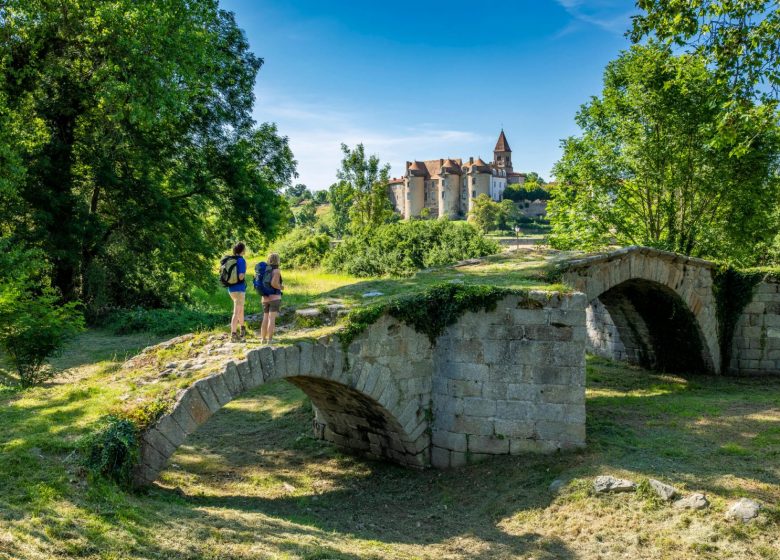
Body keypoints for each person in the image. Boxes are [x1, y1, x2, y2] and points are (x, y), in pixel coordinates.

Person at [259, 252, 283, 344]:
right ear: (277, 260)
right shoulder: (276, 271)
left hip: (265, 298)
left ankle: (263, 339)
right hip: (274, 298)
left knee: (265, 318)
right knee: (271, 318)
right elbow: (274, 284)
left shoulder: (265, 270)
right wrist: (281, 287)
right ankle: (270, 340)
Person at [228, 242, 247, 342]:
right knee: (236, 312)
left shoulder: (231, 259)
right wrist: (243, 276)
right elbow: (240, 276)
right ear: (242, 250)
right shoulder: (241, 260)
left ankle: (242, 331)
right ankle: (233, 335)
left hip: (231, 289)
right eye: (245, 249)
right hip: (239, 289)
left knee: (240, 310)